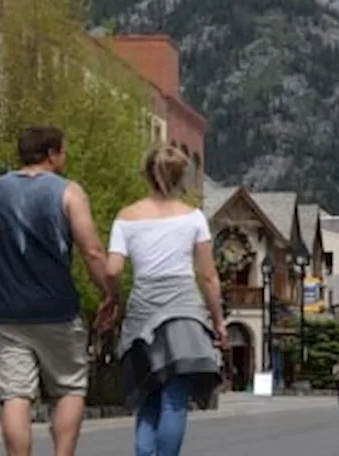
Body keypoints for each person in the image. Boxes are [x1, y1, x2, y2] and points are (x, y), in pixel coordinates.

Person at [0, 125, 119, 456]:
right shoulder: (69, 193)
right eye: (63, 151)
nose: (65, 157)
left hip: (6, 313)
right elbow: (92, 251)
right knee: (69, 389)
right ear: (51, 154)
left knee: (15, 395)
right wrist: (109, 293)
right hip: (58, 310)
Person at [107, 144, 226, 456]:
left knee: (147, 395)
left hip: (142, 312)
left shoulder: (126, 217)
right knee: (174, 398)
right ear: (180, 177)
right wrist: (219, 321)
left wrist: (112, 299)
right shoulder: (194, 218)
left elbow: (113, 269)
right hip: (184, 311)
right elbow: (209, 276)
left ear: (146, 175)